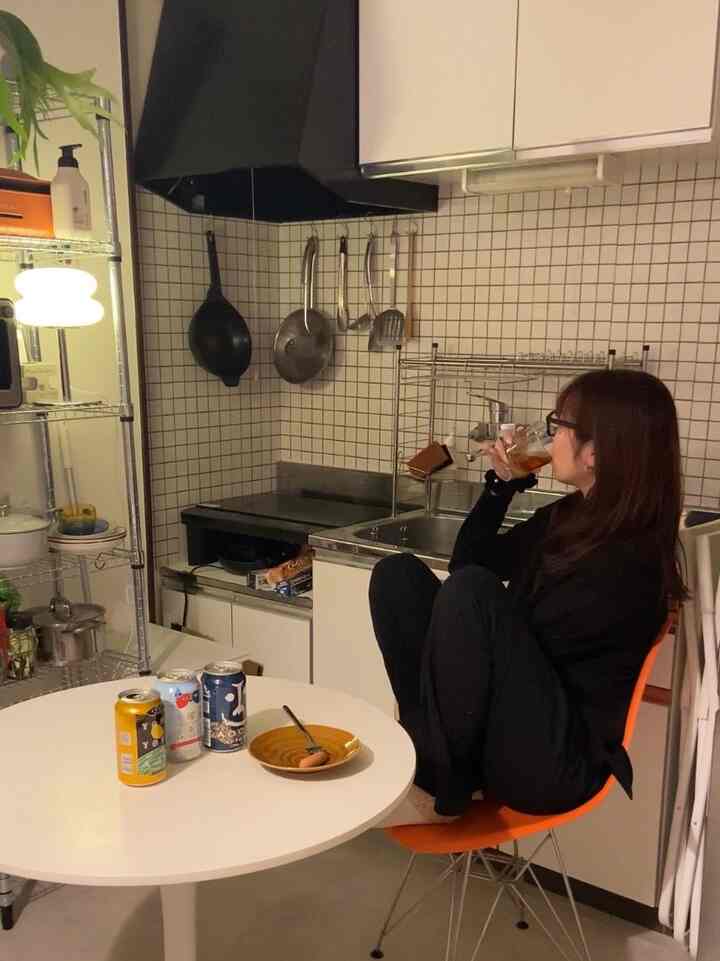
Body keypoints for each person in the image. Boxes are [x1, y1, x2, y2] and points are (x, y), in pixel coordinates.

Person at [370, 369, 686, 826]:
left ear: (595, 451)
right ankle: (434, 760)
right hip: (509, 727)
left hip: (553, 761)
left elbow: (505, 618)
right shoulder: (575, 514)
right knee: (397, 576)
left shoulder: (629, 558)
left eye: (558, 426)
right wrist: (502, 485)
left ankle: (441, 782)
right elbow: (470, 562)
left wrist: (478, 620)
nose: (548, 436)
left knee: (472, 595)